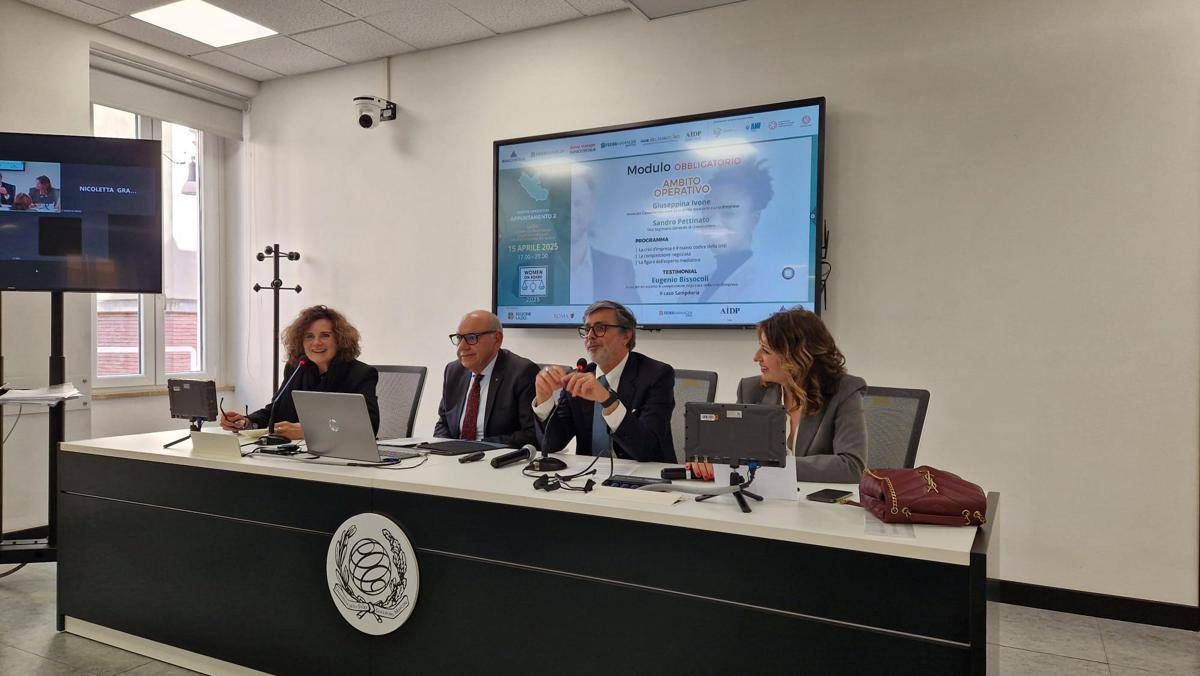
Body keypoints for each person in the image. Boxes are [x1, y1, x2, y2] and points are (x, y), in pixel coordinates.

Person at [689, 307, 866, 483]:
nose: (756, 357)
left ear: (796, 356)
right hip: (764, 496)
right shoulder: (751, 390)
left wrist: (774, 466)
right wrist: (707, 458)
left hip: (817, 499)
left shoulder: (844, 391)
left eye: (766, 350)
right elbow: (731, 449)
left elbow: (851, 467)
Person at [533, 299, 675, 462]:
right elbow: (552, 444)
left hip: (645, 475)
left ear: (626, 335)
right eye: (587, 329)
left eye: (600, 328)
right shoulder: (580, 377)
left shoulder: (657, 375)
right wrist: (544, 400)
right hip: (591, 474)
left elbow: (647, 449)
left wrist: (608, 401)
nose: (590, 336)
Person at [220, 305, 379, 439]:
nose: (316, 342)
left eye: (325, 335)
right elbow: (275, 411)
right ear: (300, 342)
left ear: (339, 339)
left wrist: (309, 432)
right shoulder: (297, 368)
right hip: (298, 455)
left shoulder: (361, 374)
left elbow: (368, 427)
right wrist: (245, 422)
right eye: (309, 336)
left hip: (342, 458)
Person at [434, 310, 539, 448]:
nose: (462, 347)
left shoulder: (522, 372)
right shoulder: (453, 371)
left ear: (497, 339)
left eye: (471, 338)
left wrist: (478, 446)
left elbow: (532, 434)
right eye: (459, 338)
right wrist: (445, 448)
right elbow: (443, 424)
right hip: (454, 456)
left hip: (495, 456)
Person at [568, 169, 640, 305]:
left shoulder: (621, 269)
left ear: (591, 208)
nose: (570, 212)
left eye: (578, 203)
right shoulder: (531, 268)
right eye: (564, 204)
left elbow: (633, 316)